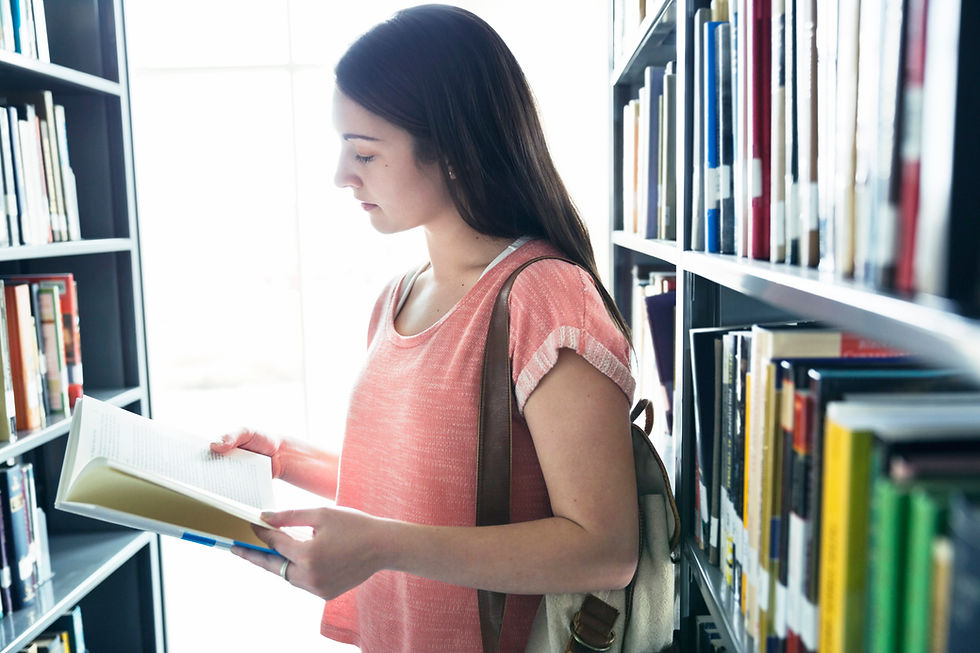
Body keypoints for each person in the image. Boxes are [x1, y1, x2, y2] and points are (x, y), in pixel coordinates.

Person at [210, 5, 639, 651]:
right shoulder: (398, 294)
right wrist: (283, 457)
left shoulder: (545, 297)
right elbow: (425, 486)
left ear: (455, 152)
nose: (341, 175)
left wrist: (384, 545)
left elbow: (604, 550)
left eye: (364, 152)